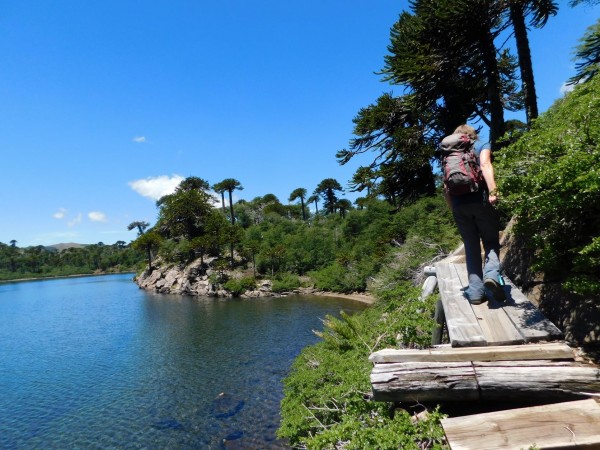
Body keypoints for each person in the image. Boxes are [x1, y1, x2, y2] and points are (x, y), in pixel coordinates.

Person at [443, 124, 505, 305]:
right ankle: (492, 275)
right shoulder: (480, 143)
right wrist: (493, 191)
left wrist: (453, 207)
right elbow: (485, 164)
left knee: (471, 246)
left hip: (458, 205)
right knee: (491, 241)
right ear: (472, 135)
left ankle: (476, 293)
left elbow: (446, 185)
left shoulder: (448, 153)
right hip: (480, 201)